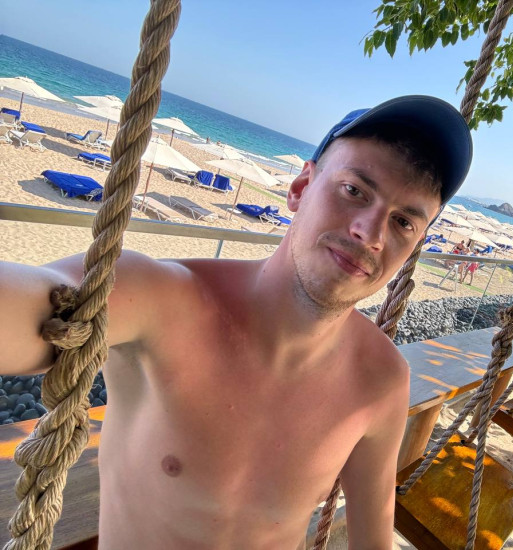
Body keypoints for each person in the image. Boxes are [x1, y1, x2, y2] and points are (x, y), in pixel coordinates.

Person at [0, 96, 472, 549]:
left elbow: (372, 540)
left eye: (404, 223)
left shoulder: (381, 380)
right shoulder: (160, 299)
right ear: (300, 188)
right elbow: (41, 305)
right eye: (354, 191)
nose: (370, 233)